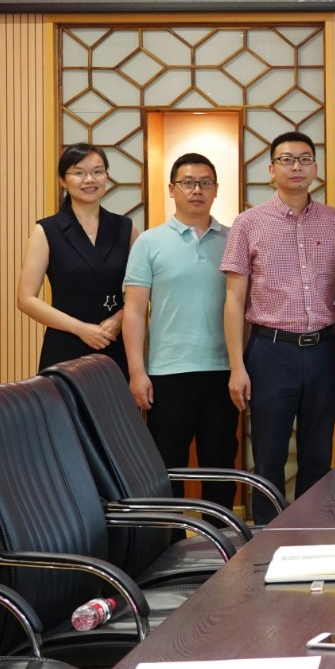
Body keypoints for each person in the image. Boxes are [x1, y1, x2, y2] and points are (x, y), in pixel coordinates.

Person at [221, 132, 335, 511]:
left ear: (315, 167)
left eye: (305, 159)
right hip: (270, 351)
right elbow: (234, 299)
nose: (297, 167)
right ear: (271, 169)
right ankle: (267, 535)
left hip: (324, 350)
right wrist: (237, 366)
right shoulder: (248, 223)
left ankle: (312, 532)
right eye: (287, 159)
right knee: (268, 456)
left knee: (318, 455)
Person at [123, 153, 238, 510]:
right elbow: (134, 311)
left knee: (220, 465)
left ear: (216, 189)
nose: (197, 190)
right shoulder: (149, 242)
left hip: (223, 371)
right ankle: (167, 540)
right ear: (172, 189)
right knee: (167, 466)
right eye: (188, 183)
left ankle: (222, 538)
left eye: (205, 183)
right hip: (167, 373)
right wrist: (137, 372)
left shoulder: (234, 240)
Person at [17, 143, 136, 375]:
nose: (89, 179)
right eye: (79, 173)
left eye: (97, 171)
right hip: (66, 343)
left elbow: (141, 289)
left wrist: (120, 318)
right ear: (63, 180)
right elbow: (26, 299)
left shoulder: (126, 228)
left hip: (114, 339)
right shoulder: (47, 230)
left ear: (106, 176)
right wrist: (81, 329)